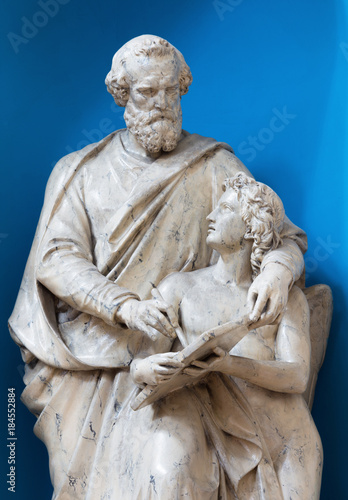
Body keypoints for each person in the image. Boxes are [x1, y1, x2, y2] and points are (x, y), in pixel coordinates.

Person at [8, 35, 307, 498]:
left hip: (185, 365)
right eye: (149, 93)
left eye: (172, 90)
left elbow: (279, 235)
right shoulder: (79, 172)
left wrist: (277, 271)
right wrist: (122, 307)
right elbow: (54, 257)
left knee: (171, 473)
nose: (163, 104)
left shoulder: (215, 165)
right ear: (124, 94)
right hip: (96, 355)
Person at [132, 172, 322, 499]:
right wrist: (147, 369)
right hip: (205, 423)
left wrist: (228, 364)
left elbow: (297, 376)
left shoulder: (285, 298)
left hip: (285, 437)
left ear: (250, 228)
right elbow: (137, 364)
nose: (210, 216)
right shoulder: (179, 287)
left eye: (224, 209)